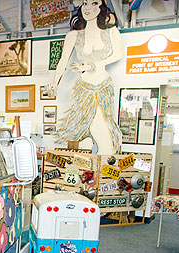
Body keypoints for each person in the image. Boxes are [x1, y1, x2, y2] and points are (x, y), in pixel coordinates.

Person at [47, 0, 124, 154]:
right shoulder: (74, 35)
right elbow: (63, 60)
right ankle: (83, 175)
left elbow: (118, 53)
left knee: (104, 136)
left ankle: (104, 176)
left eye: (94, 3)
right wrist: (54, 83)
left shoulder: (111, 31)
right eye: (85, 4)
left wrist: (95, 64)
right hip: (83, 87)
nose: (88, 8)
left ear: (101, 7)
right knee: (82, 139)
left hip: (102, 85)